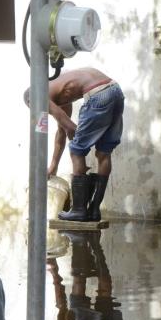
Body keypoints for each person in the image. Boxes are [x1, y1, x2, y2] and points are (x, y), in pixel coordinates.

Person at [24, 67, 124, 222]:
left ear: (32, 101)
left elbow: (70, 128)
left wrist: (78, 152)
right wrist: (53, 166)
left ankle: (78, 210)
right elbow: (63, 131)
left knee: (76, 151)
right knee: (103, 152)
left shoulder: (39, 95)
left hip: (98, 94)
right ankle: (94, 211)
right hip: (115, 91)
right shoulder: (60, 91)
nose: (40, 112)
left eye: (33, 109)